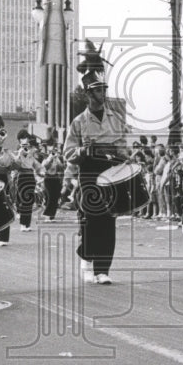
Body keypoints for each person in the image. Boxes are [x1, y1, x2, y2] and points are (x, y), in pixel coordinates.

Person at [63, 41, 128, 285]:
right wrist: (82, 151)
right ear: (89, 93)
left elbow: (123, 146)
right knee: (91, 219)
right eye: (98, 90)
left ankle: (103, 270)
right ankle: (86, 255)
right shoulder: (79, 121)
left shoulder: (116, 118)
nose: (103, 94)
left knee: (108, 220)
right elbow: (68, 151)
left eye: (104, 89)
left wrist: (124, 159)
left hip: (110, 172)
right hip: (89, 172)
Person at [14, 129, 42, 232]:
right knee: (23, 199)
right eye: (22, 138)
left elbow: (35, 163)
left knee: (30, 200)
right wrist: (19, 154)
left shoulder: (31, 150)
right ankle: (22, 223)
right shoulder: (18, 150)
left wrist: (41, 171)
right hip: (22, 175)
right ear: (19, 140)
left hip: (30, 175)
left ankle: (27, 224)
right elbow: (15, 164)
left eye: (26, 137)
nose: (25, 140)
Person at [40, 145, 65, 222]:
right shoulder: (45, 160)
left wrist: (57, 159)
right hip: (48, 178)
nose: (53, 153)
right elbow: (45, 168)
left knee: (56, 197)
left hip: (56, 178)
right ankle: (46, 216)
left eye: (54, 152)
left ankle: (51, 216)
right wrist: (50, 158)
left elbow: (62, 168)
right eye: (52, 152)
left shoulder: (57, 159)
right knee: (50, 197)